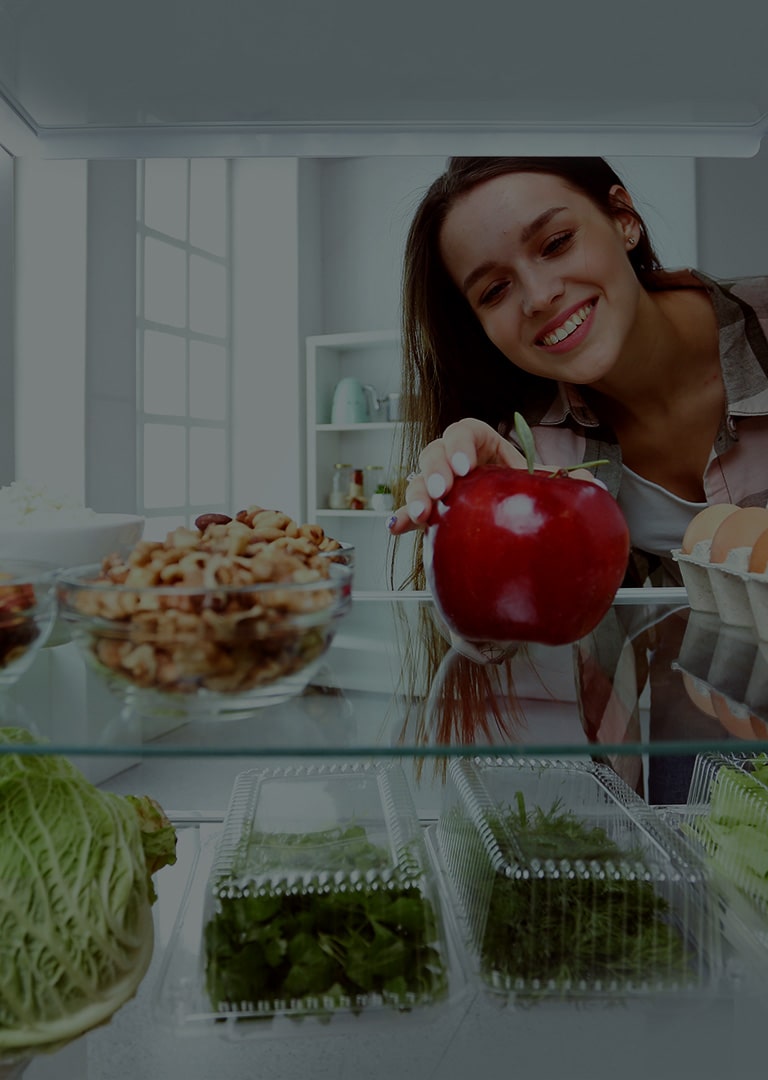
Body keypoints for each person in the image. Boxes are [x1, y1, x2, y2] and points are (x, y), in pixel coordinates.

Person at [386, 156, 768, 588]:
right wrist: (488, 541)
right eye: (494, 290)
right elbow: (524, 643)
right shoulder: (525, 455)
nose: (539, 297)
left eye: (556, 243)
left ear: (623, 219)